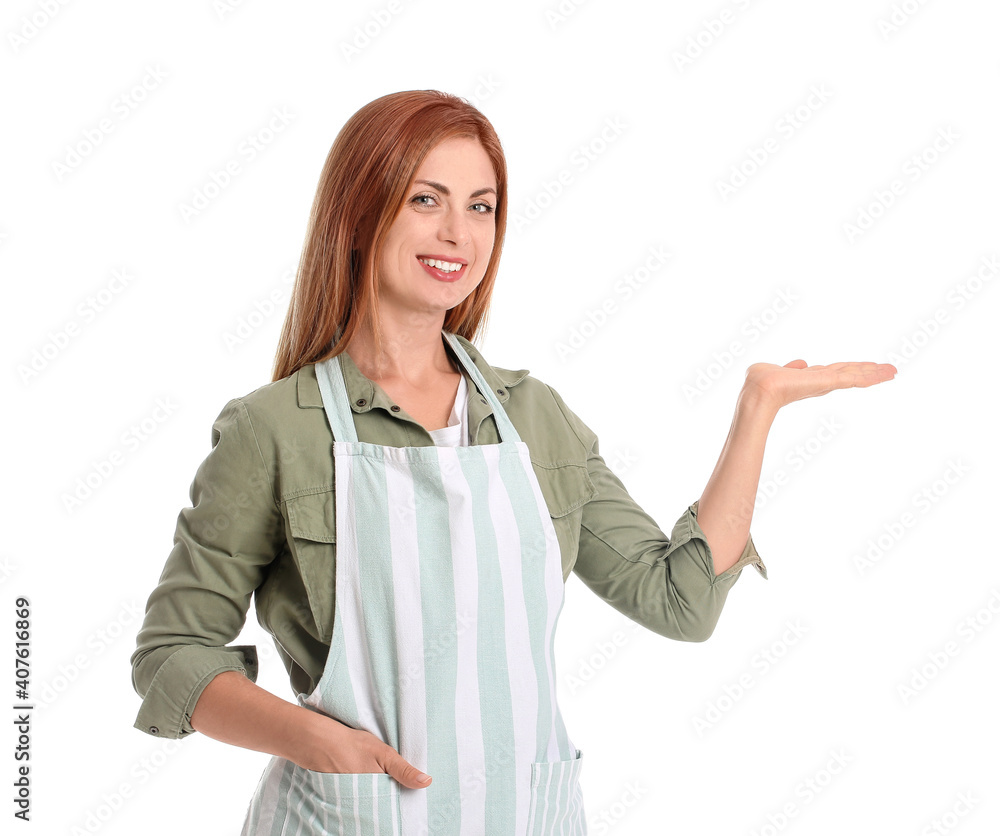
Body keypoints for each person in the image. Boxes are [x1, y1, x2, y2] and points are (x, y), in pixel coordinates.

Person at [129, 89, 896, 835]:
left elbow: (679, 603)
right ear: (360, 214)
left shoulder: (534, 421)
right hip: (347, 820)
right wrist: (319, 744)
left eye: (481, 205)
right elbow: (172, 657)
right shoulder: (274, 430)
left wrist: (756, 410)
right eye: (426, 199)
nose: (458, 233)